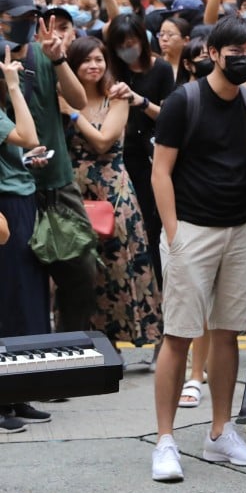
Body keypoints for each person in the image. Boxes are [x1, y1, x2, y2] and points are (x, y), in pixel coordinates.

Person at [149, 15, 246, 482]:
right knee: (178, 335)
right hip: (192, 230)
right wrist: (173, 233)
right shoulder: (183, 101)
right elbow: (160, 171)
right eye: (237, 51)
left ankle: (220, 433)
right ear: (214, 53)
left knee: (228, 333)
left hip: (240, 229)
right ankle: (165, 440)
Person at [1, 0, 93, 333]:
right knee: (24, 282)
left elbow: (79, 100)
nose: (27, 23)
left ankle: (65, 350)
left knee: (80, 272)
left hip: (56, 183)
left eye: (31, 16)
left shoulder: (42, 53)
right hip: (13, 191)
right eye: (18, 18)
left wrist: (57, 58)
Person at [63, 36, 162, 347]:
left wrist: (73, 114)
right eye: (86, 60)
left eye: (99, 59)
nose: (94, 66)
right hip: (73, 190)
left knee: (118, 265)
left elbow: (104, 141)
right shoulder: (61, 96)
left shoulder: (116, 97)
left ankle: (116, 338)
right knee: (79, 268)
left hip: (112, 190)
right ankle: (80, 338)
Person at [0, 43, 52, 432]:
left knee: (23, 300)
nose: (16, 66)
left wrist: (27, 160)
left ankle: (16, 395)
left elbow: (21, 144)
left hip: (20, 202)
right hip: (6, 208)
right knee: (8, 301)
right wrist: (15, 87)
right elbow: (28, 132)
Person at [104, 13, 175, 288]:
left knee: (150, 222)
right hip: (117, 153)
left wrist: (140, 101)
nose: (126, 50)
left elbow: (167, 117)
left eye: (131, 43)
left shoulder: (161, 69)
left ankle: (156, 286)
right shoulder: (111, 69)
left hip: (149, 155)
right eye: (120, 45)